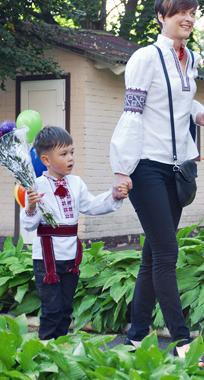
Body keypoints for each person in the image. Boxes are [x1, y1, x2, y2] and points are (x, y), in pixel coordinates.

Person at [110, 0, 204, 361]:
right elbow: (133, 113)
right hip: (146, 168)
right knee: (167, 254)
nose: (187, 18)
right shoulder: (145, 58)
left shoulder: (191, 59)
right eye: (179, 13)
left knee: (153, 256)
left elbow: (179, 101)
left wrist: (198, 114)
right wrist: (122, 168)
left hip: (178, 170)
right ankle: (183, 344)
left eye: (192, 13)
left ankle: (136, 336)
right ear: (161, 17)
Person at [21, 126, 128, 339]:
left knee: (65, 308)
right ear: (46, 160)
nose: (70, 158)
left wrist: (114, 195)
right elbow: (28, 225)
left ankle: (60, 345)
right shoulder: (35, 186)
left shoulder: (76, 183)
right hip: (46, 258)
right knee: (51, 309)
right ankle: (46, 349)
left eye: (72, 152)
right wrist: (31, 208)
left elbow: (93, 205)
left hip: (70, 257)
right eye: (63, 154)